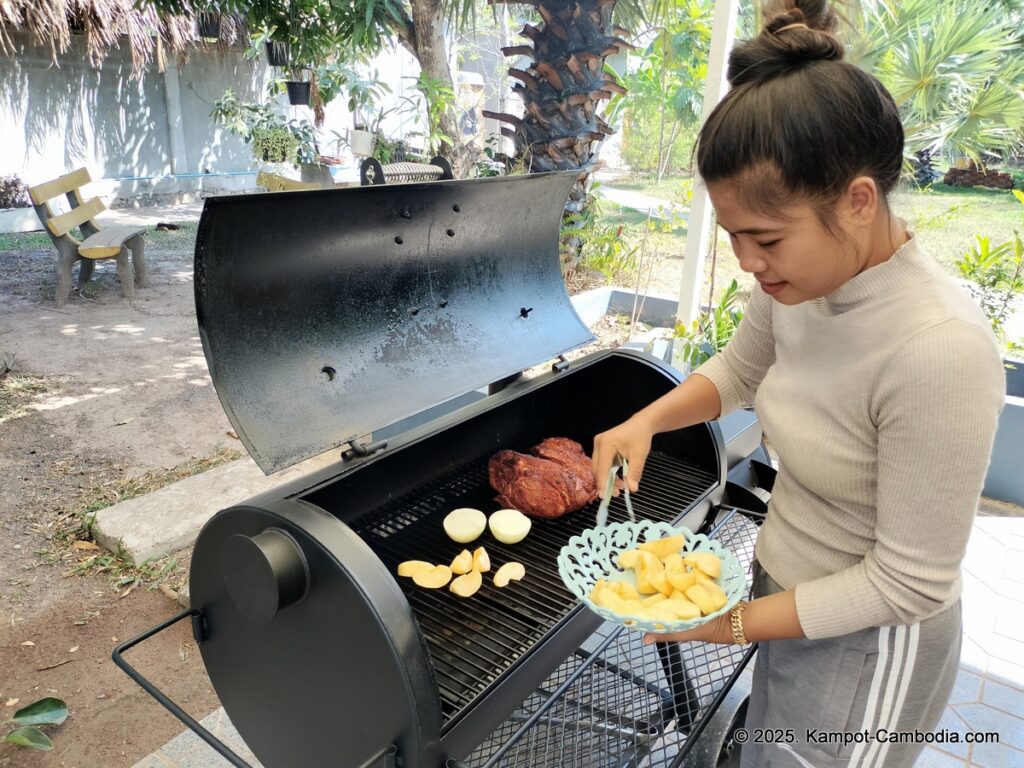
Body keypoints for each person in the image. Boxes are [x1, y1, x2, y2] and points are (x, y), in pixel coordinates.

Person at [591, 1, 1006, 766]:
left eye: (767, 237)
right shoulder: (802, 281)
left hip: (870, 647)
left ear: (857, 200)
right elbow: (743, 370)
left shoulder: (939, 350)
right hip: (788, 593)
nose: (749, 261)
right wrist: (646, 419)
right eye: (734, 237)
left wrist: (734, 625)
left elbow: (909, 583)